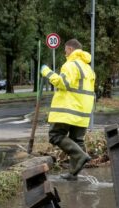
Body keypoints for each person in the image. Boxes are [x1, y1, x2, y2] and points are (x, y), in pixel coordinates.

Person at [40, 39, 95, 181]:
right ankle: (73, 173)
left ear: (70, 49)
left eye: (65, 50)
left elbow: (63, 83)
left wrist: (47, 72)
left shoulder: (70, 65)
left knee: (55, 135)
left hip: (68, 110)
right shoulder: (88, 68)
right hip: (83, 112)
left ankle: (81, 156)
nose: (65, 53)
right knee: (77, 140)